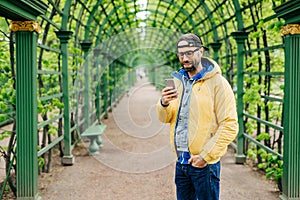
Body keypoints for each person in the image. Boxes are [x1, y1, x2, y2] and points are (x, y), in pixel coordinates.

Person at [156, 33, 238, 200]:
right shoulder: (179, 81)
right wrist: (163, 103)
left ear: (201, 51)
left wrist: (205, 157)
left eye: (189, 53)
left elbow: (230, 124)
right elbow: (166, 118)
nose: (184, 58)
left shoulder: (218, 84)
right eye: (181, 54)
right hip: (182, 162)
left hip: (204, 164)